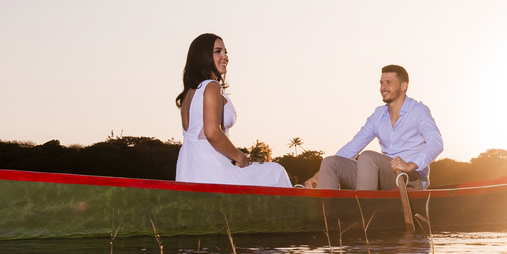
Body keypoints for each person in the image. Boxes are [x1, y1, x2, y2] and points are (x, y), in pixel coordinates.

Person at [175, 33, 291, 187]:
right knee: (276, 172)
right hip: (211, 167)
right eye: (218, 51)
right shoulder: (211, 86)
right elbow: (211, 132)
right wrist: (240, 157)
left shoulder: (189, 93)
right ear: (202, 56)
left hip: (189, 167)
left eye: (225, 52)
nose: (225, 56)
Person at [304, 65, 443, 190]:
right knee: (330, 162)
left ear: (403, 86)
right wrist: (318, 175)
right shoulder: (378, 115)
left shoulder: (418, 110)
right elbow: (352, 147)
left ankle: (365, 214)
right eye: (381, 83)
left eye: (389, 83)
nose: (383, 87)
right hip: (386, 175)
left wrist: (411, 165)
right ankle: (328, 217)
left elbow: (436, 143)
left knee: (367, 157)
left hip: (411, 177)